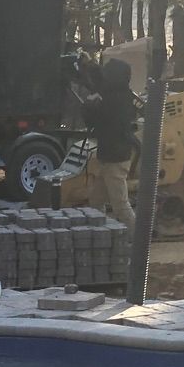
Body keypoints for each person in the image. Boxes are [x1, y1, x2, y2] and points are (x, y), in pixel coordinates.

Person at [78, 55, 140, 233]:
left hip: (115, 159)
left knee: (120, 205)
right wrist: (90, 65)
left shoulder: (116, 102)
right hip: (109, 157)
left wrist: (88, 108)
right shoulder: (118, 92)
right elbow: (100, 80)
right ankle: (102, 235)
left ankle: (138, 241)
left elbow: (96, 120)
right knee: (96, 201)